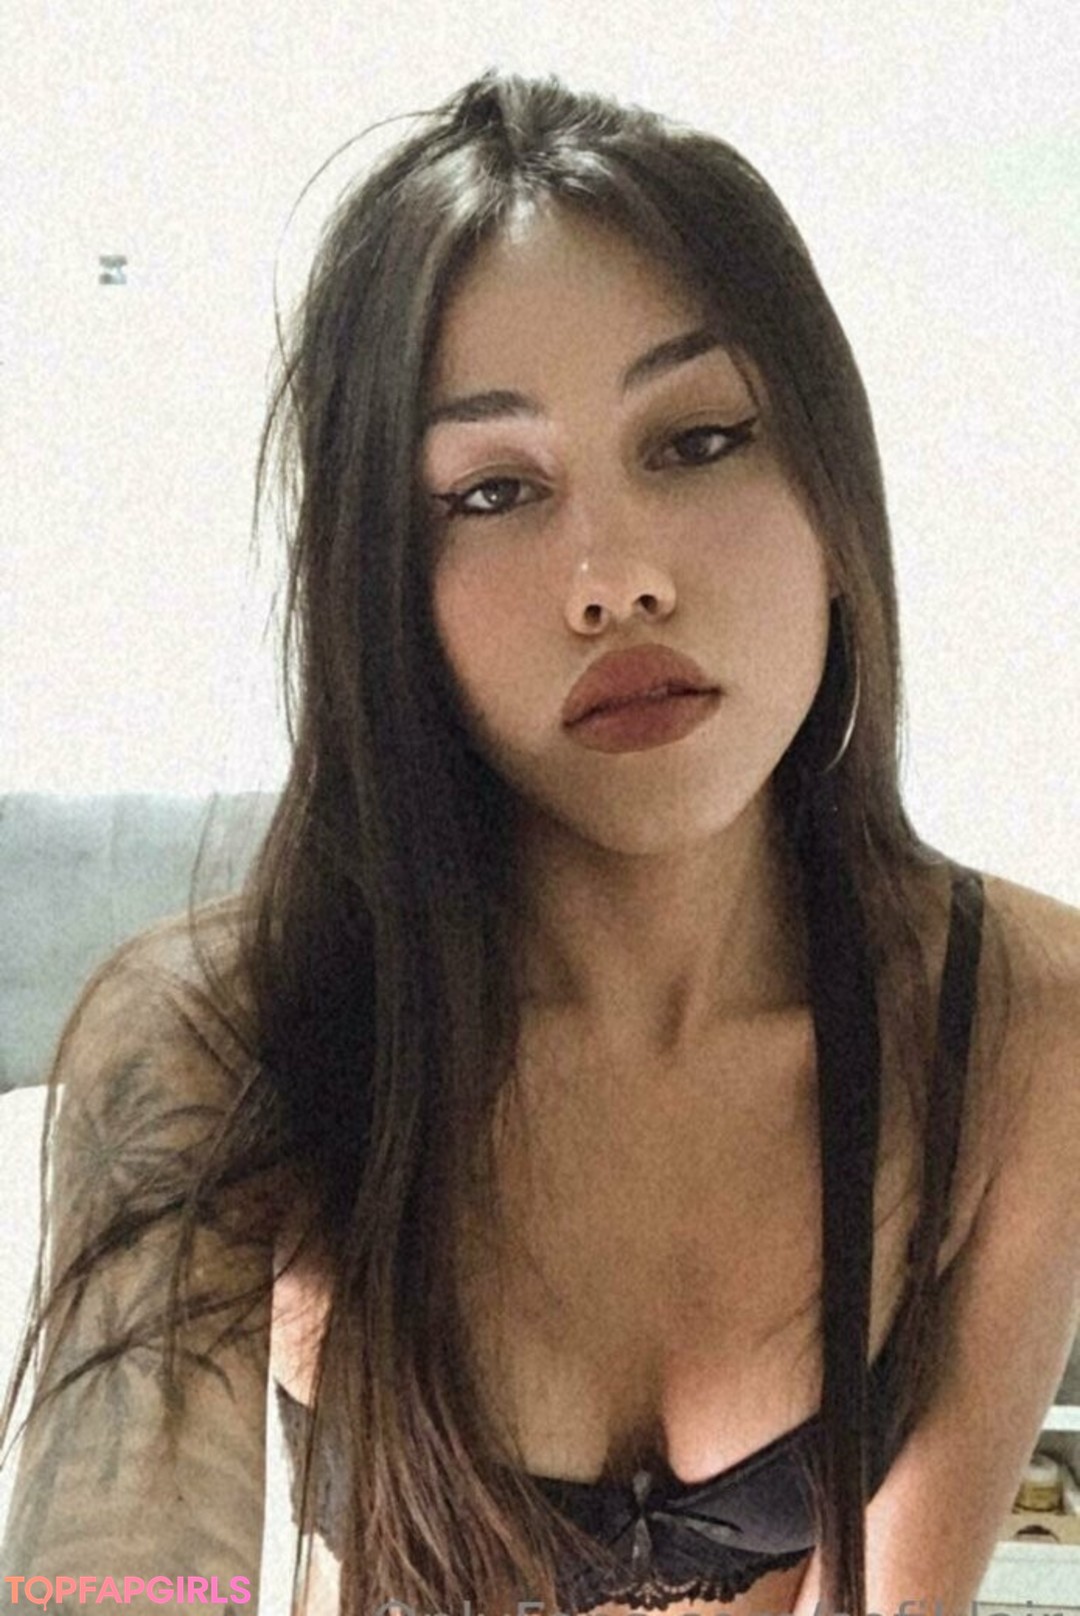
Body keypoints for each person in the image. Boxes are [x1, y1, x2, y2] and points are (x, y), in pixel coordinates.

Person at [2, 68, 1079, 1616]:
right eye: (494, 490)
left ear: (837, 509)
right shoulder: (214, 1042)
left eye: (698, 440)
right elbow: (120, 1577)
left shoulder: (1019, 1026)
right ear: (387, 591)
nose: (613, 578)